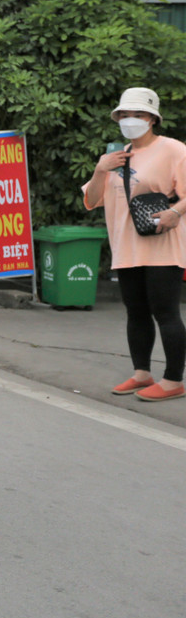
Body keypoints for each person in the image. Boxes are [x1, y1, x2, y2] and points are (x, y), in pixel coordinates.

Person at [84, 87, 186, 402]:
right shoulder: (115, 155)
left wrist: (174, 212)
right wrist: (101, 168)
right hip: (125, 247)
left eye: (138, 115)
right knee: (136, 311)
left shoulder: (173, 150)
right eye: (125, 115)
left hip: (162, 245)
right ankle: (142, 372)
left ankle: (173, 380)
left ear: (152, 119)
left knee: (165, 311)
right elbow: (90, 201)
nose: (131, 120)